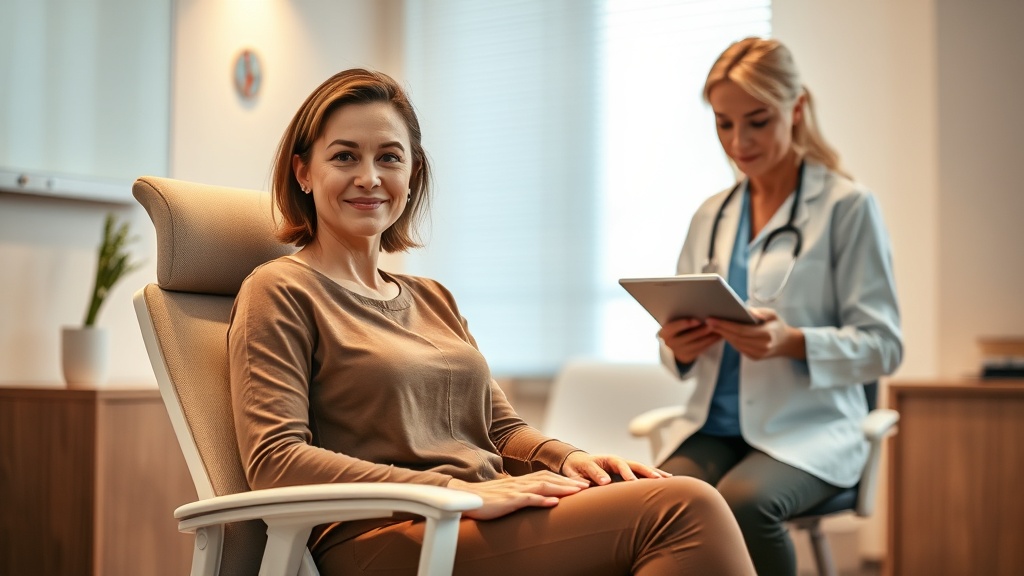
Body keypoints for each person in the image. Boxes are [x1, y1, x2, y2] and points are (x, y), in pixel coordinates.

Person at [227, 68, 756, 576]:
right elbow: (277, 459)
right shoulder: (279, 290)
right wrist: (444, 491)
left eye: (390, 157)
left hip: (475, 511)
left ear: (412, 175)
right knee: (681, 506)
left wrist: (571, 459)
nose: (369, 177)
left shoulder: (432, 298)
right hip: (380, 534)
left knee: (651, 498)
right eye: (345, 156)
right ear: (303, 172)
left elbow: (500, 429)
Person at [654, 37, 903, 575]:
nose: (739, 141)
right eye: (724, 123)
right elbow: (675, 347)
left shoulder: (847, 208)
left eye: (758, 121)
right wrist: (678, 348)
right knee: (655, 505)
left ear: (797, 109)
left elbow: (885, 346)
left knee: (746, 503)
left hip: (809, 431)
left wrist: (791, 342)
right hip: (715, 430)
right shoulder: (710, 215)